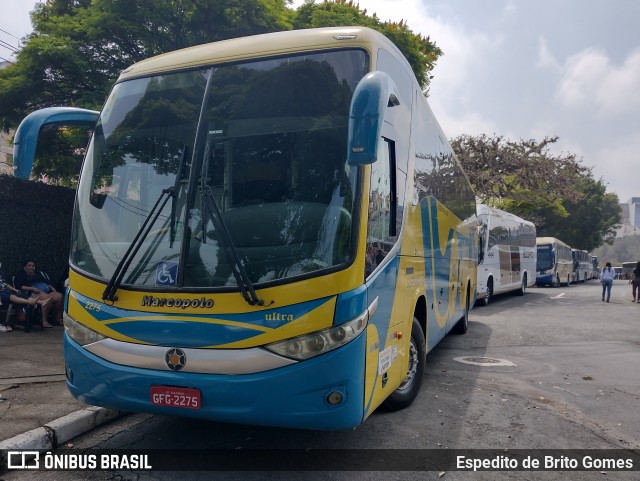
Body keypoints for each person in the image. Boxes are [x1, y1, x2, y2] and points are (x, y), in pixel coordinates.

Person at [13, 260, 63, 328]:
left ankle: (57, 319)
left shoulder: (39, 274)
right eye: (29, 265)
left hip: (46, 291)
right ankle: (44, 321)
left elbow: (47, 283)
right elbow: (18, 287)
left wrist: (52, 288)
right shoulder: (20, 275)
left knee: (59, 296)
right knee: (47, 299)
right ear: (24, 267)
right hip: (33, 292)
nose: (31, 267)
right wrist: (32, 289)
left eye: (33, 266)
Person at [1, 267, 50, 332]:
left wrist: (14, 289)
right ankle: (31, 302)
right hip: (1, 294)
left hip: (6, 291)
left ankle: (41, 302)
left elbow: (5, 285)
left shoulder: (1, 275)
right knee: (12, 296)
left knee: (24, 296)